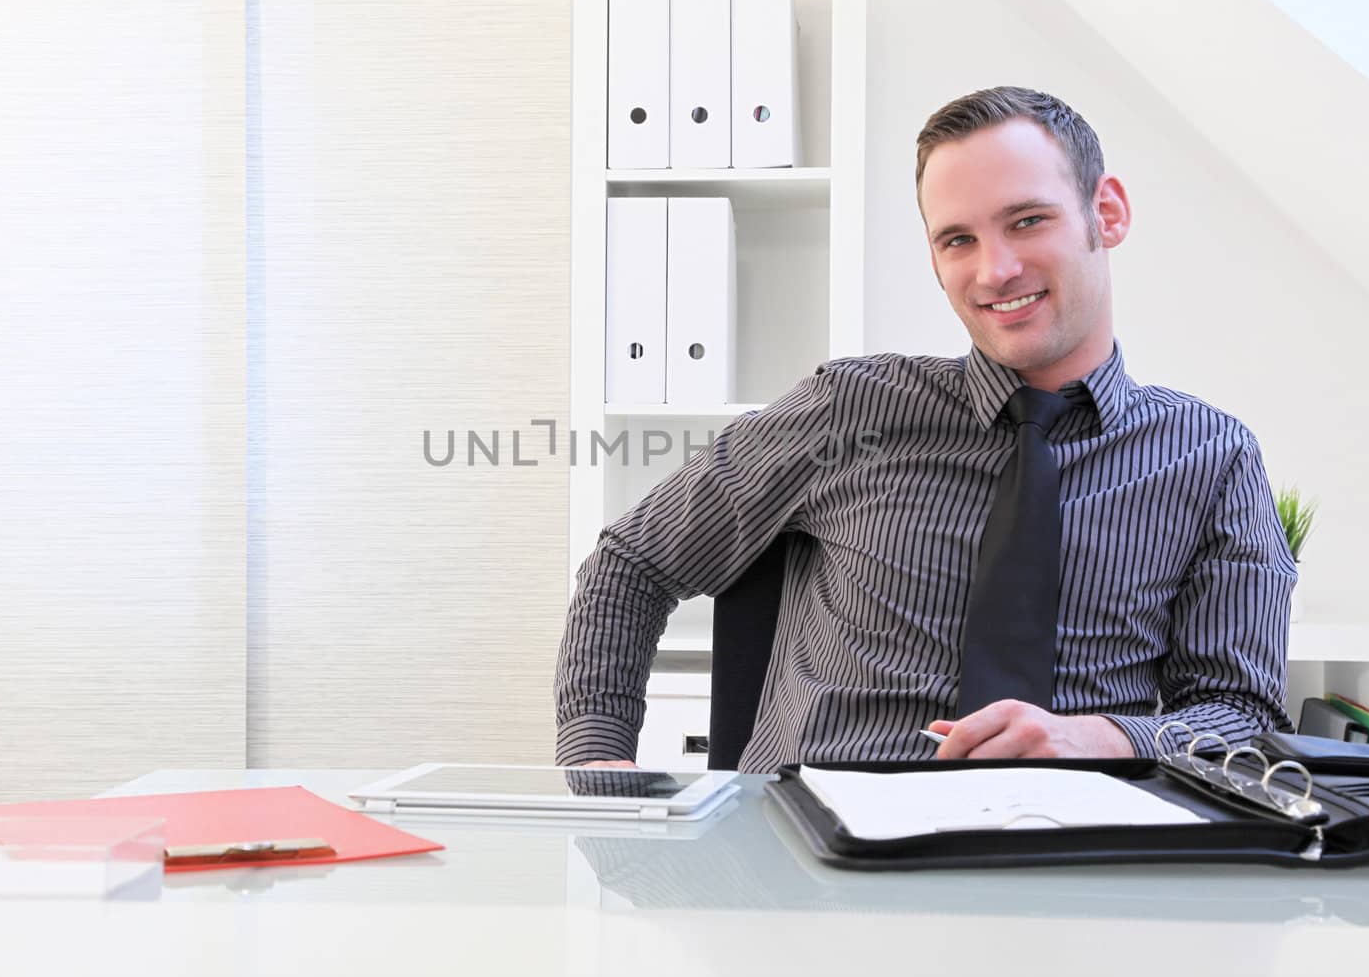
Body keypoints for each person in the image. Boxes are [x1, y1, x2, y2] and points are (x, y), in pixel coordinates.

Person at [555, 86, 1295, 773]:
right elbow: (634, 564)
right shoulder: (849, 408)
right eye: (957, 240)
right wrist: (596, 760)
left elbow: (1242, 715)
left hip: (1064, 859)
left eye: (1027, 221)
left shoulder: (1212, 457)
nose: (994, 270)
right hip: (814, 860)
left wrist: (1098, 737)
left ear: (1107, 212)